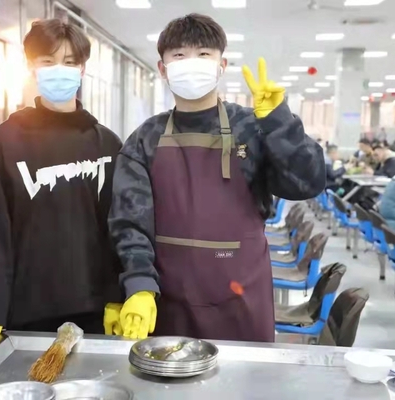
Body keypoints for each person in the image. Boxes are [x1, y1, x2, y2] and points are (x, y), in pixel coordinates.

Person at [109, 14, 325, 342]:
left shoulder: (252, 128)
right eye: (179, 55)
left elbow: (307, 182)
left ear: (221, 66)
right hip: (168, 301)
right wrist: (139, 285)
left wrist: (279, 122)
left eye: (203, 54)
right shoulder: (145, 139)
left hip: (242, 299)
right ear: (163, 69)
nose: (191, 63)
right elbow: (129, 223)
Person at [0, 19, 124, 337]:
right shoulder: (8, 139)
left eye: (69, 62)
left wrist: (118, 294)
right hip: (26, 306)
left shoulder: (106, 144)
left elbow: (118, 228)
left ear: (82, 69)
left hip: (94, 305)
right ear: (31, 67)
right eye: (48, 61)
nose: (59, 70)